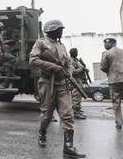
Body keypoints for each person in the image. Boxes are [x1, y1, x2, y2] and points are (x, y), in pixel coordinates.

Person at [29, 19, 86, 158]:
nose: (62, 31)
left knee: (67, 114)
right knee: (47, 115)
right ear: (52, 30)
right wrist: (53, 67)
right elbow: (33, 60)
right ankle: (42, 132)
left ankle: (68, 147)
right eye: (60, 29)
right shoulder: (41, 43)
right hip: (47, 82)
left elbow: (68, 63)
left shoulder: (62, 46)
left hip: (62, 83)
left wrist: (68, 72)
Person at [69, 48, 87, 119]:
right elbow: (72, 71)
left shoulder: (76, 60)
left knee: (78, 97)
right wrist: (81, 68)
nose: (76, 53)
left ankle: (77, 110)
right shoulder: (70, 60)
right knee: (76, 96)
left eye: (77, 52)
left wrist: (83, 68)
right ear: (71, 53)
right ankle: (75, 112)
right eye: (75, 52)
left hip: (78, 80)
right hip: (74, 81)